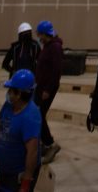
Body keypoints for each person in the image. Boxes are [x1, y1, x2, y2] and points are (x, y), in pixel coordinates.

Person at [0, 69, 41, 192]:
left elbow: (32, 152)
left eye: (10, 90)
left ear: (19, 93)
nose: (8, 93)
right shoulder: (8, 105)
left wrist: (26, 182)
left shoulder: (30, 116)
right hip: (4, 170)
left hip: (18, 175)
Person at [33, 20, 63, 164]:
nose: (39, 38)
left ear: (45, 34)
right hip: (41, 86)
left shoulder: (55, 48)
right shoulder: (48, 46)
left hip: (47, 88)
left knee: (39, 114)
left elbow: (55, 71)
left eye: (40, 35)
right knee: (38, 114)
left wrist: (47, 90)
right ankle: (45, 143)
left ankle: (50, 144)